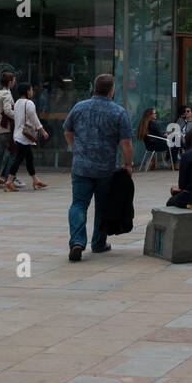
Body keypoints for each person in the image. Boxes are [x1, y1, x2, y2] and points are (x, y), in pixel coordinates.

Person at [63, 74, 134, 261]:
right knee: (102, 206)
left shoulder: (79, 107)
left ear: (95, 88)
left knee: (78, 204)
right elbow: (126, 142)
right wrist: (128, 165)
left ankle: (77, 241)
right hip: (105, 168)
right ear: (112, 90)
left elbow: (67, 130)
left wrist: (75, 148)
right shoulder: (118, 112)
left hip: (81, 166)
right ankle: (98, 243)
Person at [3, 82, 49, 190]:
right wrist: (43, 132)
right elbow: (35, 120)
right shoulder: (29, 103)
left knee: (29, 158)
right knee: (18, 159)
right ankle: (9, 181)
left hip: (19, 134)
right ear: (27, 91)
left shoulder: (17, 102)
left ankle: (35, 180)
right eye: (31, 89)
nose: (32, 91)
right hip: (24, 136)